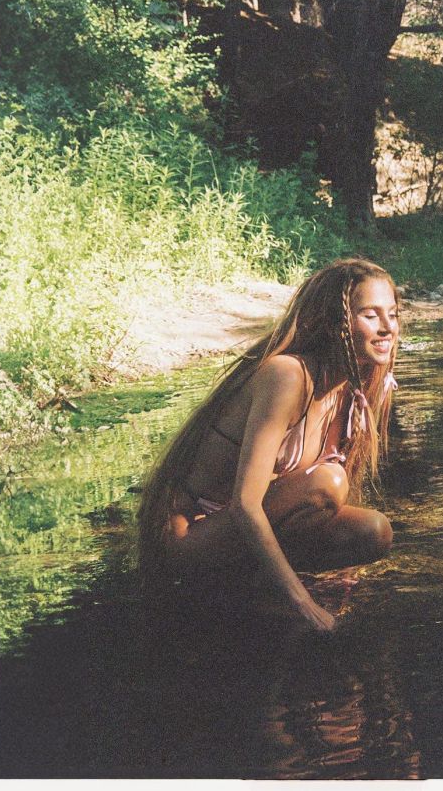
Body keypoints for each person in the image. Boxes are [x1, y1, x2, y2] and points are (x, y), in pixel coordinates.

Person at [138, 258, 400, 633]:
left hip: (238, 532)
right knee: (328, 482)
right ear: (334, 321)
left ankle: (252, 587)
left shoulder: (356, 384)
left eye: (392, 314)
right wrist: (303, 602)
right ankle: (248, 591)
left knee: (374, 531)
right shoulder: (287, 376)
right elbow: (246, 503)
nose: (387, 327)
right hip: (188, 534)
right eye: (370, 315)